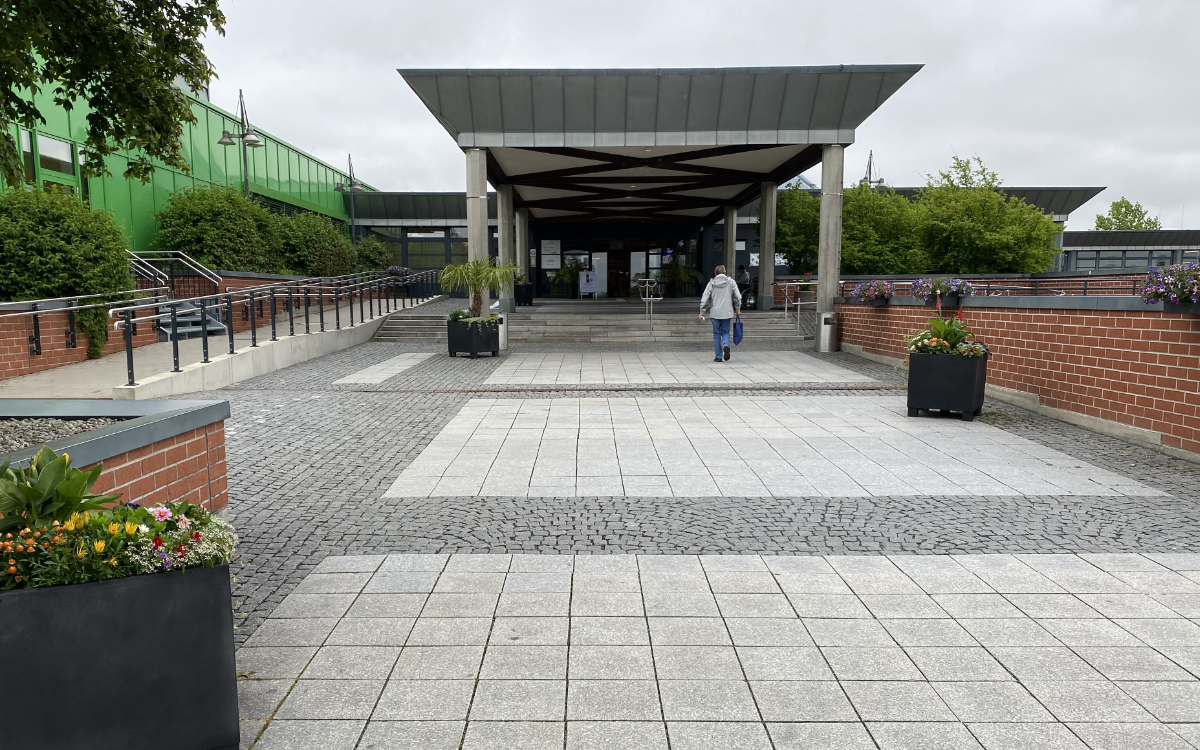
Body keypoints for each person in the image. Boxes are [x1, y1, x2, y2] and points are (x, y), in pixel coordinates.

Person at [698, 264, 742, 362]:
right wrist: (738, 309)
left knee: (716, 334)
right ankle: (726, 345)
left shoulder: (711, 283)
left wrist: (702, 312)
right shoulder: (731, 282)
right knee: (725, 331)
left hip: (715, 312)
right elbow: (738, 297)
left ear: (715, 273)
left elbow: (705, 298)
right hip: (727, 312)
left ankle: (718, 356)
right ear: (725, 272)